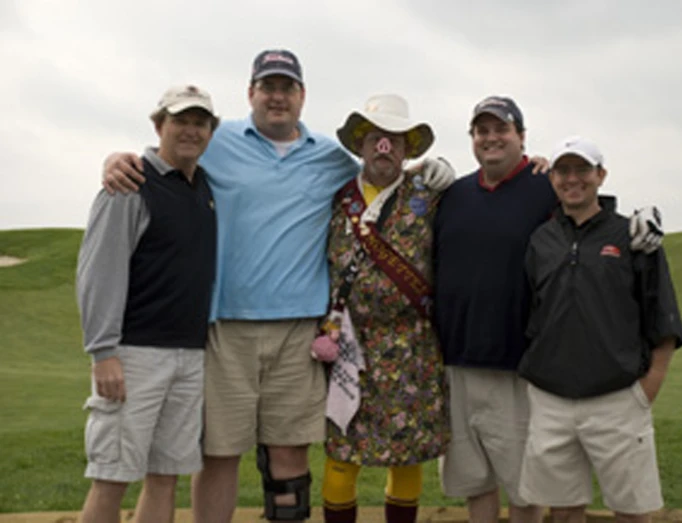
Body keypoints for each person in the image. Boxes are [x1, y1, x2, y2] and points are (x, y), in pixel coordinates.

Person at [101, 50, 454, 523]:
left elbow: (381, 174)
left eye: (287, 87)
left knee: (289, 456)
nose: (277, 96)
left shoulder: (329, 156)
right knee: (220, 454)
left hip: (300, 333)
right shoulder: (216, 140)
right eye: (268, 87)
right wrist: (116, 158)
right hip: (227, 326)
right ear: (250, 93)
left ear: (302, 96)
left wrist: (434, 169)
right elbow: (167, 154)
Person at [433, 97, 665, 523]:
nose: (491, 138)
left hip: (518, 364)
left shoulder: (545, 184)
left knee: (527, 488)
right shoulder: (452, 195)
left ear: (521, 137)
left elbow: (590, 216)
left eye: (501, 129)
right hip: (456, 362)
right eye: (481, 130)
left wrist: (642, 216)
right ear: (472, 139)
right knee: (473, 482)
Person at [518, 136, 682, 523]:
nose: (572, 179)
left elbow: (662, 316)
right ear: (553, 178)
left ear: (601, 175)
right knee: (562, 510)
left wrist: (648, 388)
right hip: (551, 398)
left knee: (631, 510)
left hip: (618, 398)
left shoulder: (632, 236)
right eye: (563, 170)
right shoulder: (541, 240)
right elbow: (530, 310)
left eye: (582, 169)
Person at [76, 85, 219, 523]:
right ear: (159, 125)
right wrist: (104, 354)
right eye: (180, 120)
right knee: (113, 477)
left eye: (200, 122)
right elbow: (98, 272)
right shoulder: (130, 185)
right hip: (134, 356)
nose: (191, 131)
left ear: (211, 131)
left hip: (190, 355)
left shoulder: (205, 187)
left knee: (165, 477)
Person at [311, 94, 450, 523]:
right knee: (341, 455)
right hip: (347, 346)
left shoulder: (434, 193)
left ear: (408, 148)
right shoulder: (334, 198)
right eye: (375, 138)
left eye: (393, 138)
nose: (384, 148)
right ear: (360, 144)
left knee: (406, 455)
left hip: (413, 348)